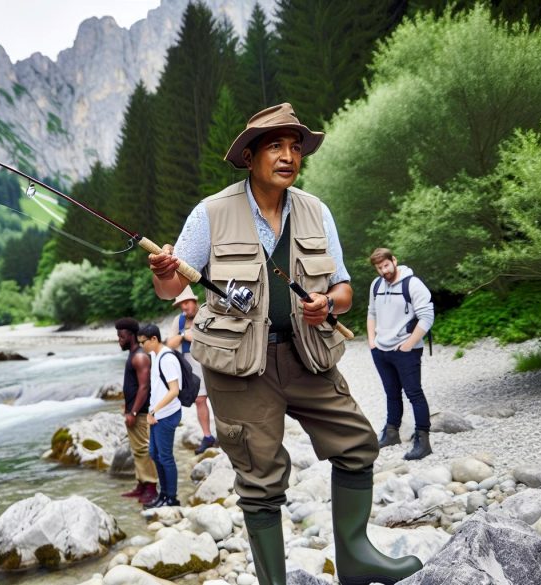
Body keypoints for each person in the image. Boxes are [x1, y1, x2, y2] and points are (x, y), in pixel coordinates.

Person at [146, 103, 423, 585]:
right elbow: (173, 289)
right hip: (238, 367)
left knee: (358, 445)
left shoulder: (317, 210)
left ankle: (355, 558)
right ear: (250, 156)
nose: (289, 156)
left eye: (295, 147)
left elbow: (344, 289)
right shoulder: (209, 213)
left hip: (307, 355)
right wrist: (164, 275)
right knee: (260, 479)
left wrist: (328, 305)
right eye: (276, 145)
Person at [367, 248, 435, 461]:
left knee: (414, 394)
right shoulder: (376, 285)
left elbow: (427, 317)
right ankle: (391, 433)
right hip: (381, 349)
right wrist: (372, 341)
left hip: (406, 351)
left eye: (386, 265)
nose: (383, 271)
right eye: (379, 268)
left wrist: (408, 344)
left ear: (394, 261)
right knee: (391, 393)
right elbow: (372, 312)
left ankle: (423, 441)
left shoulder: (413, 284)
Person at [165, 285, 217, 454]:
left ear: (194, 301)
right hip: (192, 366)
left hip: (212, 361)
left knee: (221, 399)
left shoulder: (206, 313)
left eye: (186, 303)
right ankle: (208, 436)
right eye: (181, 305)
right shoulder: (178, 321)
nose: (184, 307)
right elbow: (169, 345)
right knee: (200, 400)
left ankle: (229, 434)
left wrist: (195, 335)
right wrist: (183, 335)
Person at [136, 323, 182, 509]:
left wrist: (154, 411)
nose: (141, 346)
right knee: (154, 453)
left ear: (154, 339)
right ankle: (163, 494)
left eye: (143, 342)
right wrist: (151, 410)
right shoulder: (155, 355)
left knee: (165, 456)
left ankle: (171, 497)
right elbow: (156, 388)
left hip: (167, 414)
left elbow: (174, 391)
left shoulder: (167, 359)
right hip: (156, 414)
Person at [115, 318, 160, 504]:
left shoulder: (140, 356)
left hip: (141, 413)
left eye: (122, 336)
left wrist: (133, 412)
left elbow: (144, 387)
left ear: (132, 336)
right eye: (118, 336)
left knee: (143, 449)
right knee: (137, 450)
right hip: (134, 411)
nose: (119, 340)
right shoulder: (133, 353)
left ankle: (151, 487)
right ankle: (141, 485)